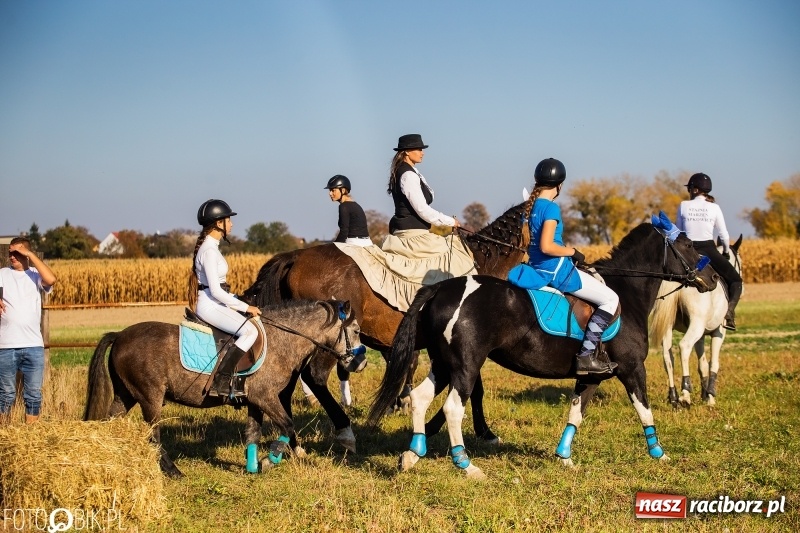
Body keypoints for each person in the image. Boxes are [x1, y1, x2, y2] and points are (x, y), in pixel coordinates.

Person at [520, 158, 619, 377]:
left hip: (534, 267)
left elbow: (531, 245)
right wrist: (572, 252)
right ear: (559, 185)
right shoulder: (551, 209)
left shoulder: (528, 208)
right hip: (556, 272)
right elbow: (547, 246)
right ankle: (586, 356)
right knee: (610, 299)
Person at [188, 199, 262, 397]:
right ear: (219, 223)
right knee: (249, 332)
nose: (232, 224)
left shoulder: (211, 247)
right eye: (228, 220)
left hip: (215, 302)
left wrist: (238, 300)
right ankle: (221, 380)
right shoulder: (209, 251)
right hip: (211, 305)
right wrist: (246, 308)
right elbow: (216, 291)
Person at [382, 134, 475, 280]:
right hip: (413, 235)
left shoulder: (408, 171)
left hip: (415, 231)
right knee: (455, 257)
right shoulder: (408, 175)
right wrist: (450, 221)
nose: (422, 152)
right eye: (419, 149)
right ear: (407, 151)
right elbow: (422, 210)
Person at [0, 237, 57, 424]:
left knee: (33, 395)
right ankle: (5, 436)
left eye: (17, 252)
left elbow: (51, 279)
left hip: (33, 345)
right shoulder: (2, 274)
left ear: (26, 253)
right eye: (10, 253)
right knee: (6, 395)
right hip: (6, 345)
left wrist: (31, 255)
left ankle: (30, 438)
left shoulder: (35, 275)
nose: (12, 256)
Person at [676, 172, 742, 330]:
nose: (689, 191)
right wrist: (726, 251)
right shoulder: (714, 208)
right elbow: (724, 236)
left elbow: (678, 232)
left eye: (690, 188)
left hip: (687, 251)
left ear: (695, 189)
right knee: (736, 280)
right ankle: (729, 314)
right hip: (708, 252)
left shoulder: (684, 206)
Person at [324, 174, 372, 247]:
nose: (330, 193)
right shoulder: (355, 205)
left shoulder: (344, 206)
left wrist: (333, 246)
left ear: (343, 190)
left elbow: (344, 232)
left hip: (353, 243)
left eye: (333, 190)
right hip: (367, 243)